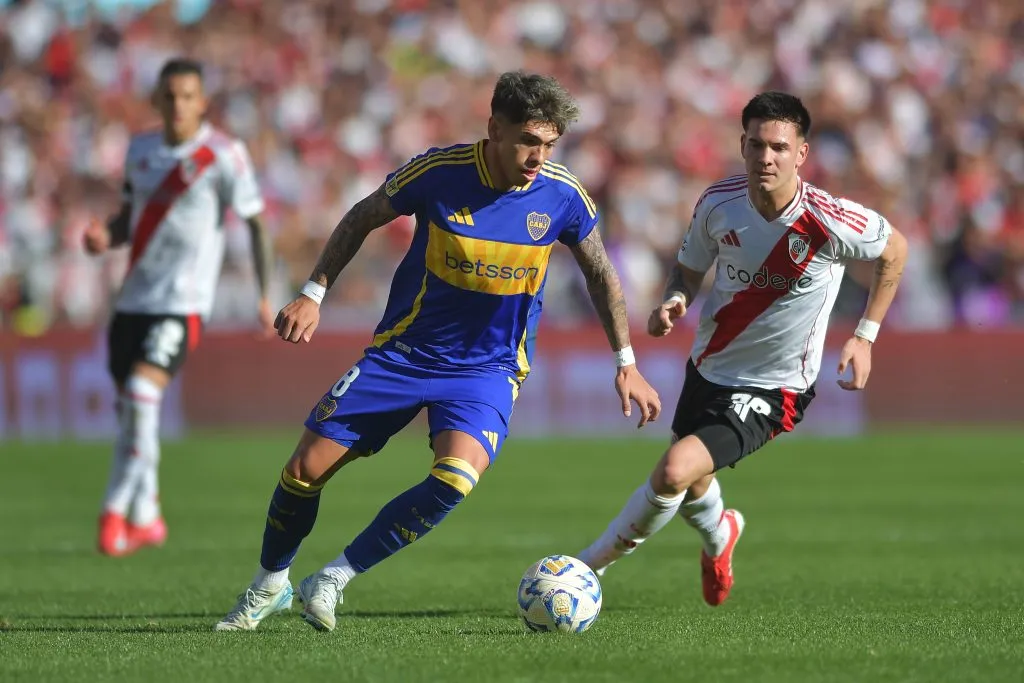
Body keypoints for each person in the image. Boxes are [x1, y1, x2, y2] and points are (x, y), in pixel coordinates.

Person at [215, 71, 662, 632]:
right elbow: (363, 215)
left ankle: (333, 577)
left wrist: (626, 362)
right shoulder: (440, 173)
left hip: (488, 368)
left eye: (549, 145)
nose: (537, 157)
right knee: (303, 472)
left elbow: (601, 273)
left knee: (455, 476)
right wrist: (314, 291)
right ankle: (269, 582)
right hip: (404, 354)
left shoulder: (562, 193)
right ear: (494, 128)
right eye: (527, 140)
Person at [575, 91, 908, 607]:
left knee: (672, 471)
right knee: (692, 484)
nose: (766, 157)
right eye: (756, 145)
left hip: (775, 386)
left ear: (801, 153)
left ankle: (583, 569)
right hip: (710, 366)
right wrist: (675, 298)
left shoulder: (829, 218)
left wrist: (865, 336)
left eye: (778, 146)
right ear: (742, 146)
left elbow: (895, 251)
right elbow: (689, 265)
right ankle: (721, 535)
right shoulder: (718, 202)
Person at [84, 58, 274, 557]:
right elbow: (130, 218)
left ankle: (113, 509)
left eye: (188, 96)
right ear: (157, 101)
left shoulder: (224, 155)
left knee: (144, 397)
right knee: (131, 413)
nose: (178, 106)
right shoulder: (140, 150)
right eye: (169, 96)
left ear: (202, 101)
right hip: (132, 302)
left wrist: (264, 293)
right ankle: (148, 514)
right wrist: (107, 234)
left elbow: (255, 223)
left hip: (182, 303)